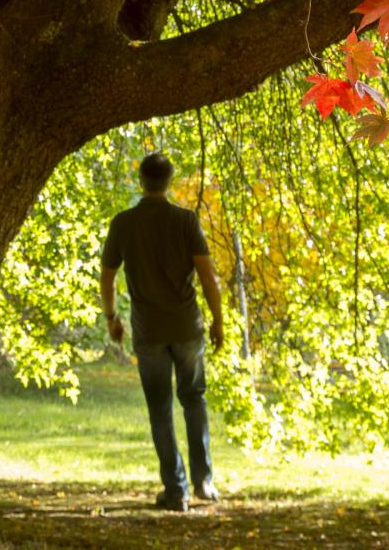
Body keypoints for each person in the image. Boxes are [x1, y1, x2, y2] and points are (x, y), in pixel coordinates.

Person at [100, 151, 225, 510]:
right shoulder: (186, 221)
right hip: (187, 327)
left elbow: (107, 277)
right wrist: (218, 319)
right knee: (194, 399)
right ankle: (204, 482)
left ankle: (176, 490)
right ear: (168, 182)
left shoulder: (123, 224)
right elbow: (207, 275)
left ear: (142, 180)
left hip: (149, 331)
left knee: (160, 409)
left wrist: (112, 317)